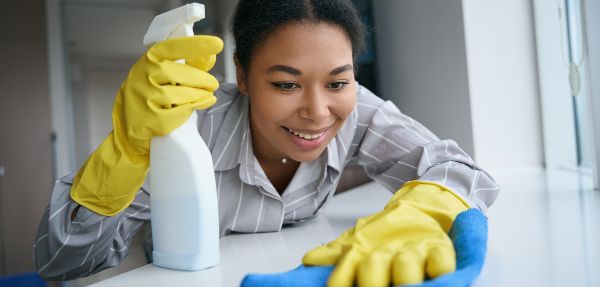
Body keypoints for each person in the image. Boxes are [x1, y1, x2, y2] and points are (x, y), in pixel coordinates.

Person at [34, 0, 499, 286]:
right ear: (242, 75)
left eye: (338, 82)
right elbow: (60, 261)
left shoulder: (357, 112)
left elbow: (459, 168)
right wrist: (124, 152)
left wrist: (424, 209)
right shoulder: (185, 135)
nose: (318, 112)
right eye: (286, 85)